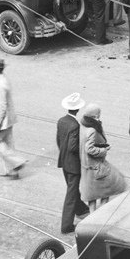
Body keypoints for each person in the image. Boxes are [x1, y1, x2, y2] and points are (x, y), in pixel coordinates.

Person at [0, 58, 30, 179]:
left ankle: (17, 162)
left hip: (2, 121)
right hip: (9, 119)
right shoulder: (3, 80)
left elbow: (1, 106)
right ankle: (12, 171)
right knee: (8, 144)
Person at [56, 93, 86, 233]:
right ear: (78, 109)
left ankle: (80, 208)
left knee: (72, 189)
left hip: (64, 161)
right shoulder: (75, 125)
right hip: (73, 164)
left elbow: (59, 141)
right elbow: (73, 147)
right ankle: (66, 225)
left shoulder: (61, 121)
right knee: (71, 193)